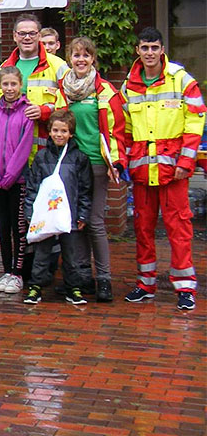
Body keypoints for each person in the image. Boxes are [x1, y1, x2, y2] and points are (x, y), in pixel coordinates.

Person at [114, 27, 205, 311]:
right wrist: (124, 162)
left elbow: (195, 124)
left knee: (179, 228)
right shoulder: (128, 86)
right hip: (142, 172)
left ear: (162, 49)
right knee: (142, 228)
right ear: (137, 51)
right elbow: (123, 128)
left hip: (174, 171)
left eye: (154, 47)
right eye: (145, 48)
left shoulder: (181, 80)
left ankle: (185, 286)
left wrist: (186, 162)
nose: (150, 53)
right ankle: (145, 283)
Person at [57, 37, 126, 302]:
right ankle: (83, 276)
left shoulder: (105, 90)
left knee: (96, 223)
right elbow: (59, 125)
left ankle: (105, 279)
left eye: (86, 55)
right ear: (69, 59)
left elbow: (117, 130)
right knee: (77, 223)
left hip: (97, 165)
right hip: (72, 166)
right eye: (76, 56)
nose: (81, 60)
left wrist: (115, 163)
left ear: (93, 59)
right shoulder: (63, 89)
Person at [23, 109, 92, 306]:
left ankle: (74, 288)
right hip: (46, 214)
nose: (59, 135)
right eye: (55, 130)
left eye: (63, 131)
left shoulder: (80, 158)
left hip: (69, 214)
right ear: (49, 131)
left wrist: (83, 215)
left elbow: (85, 190)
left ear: (71, 133)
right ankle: (36, 286)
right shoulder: (42, 157)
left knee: (71, 254)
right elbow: (33, 187)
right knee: (42, 251)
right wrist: (31, 213)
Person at [0, 14, 68, 160]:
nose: (27, 37)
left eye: (32, 33)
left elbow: (69, 105)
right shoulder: (3, 69)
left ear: (39, 36)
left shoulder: (58, 66)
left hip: (46, 150)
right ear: (14, 36)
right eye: (22, 33)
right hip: (11, 151)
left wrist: (44, 111)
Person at [0, 67, 34, 294]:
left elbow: (24, 147)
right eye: (5, 84)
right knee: (3, 227)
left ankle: (18, 271)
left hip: (18, 180)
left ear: (20, 85)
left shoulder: (27, 112)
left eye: (14, 84)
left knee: (18, 227)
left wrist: (10, 176)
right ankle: (6, 270)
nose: (10, 89)